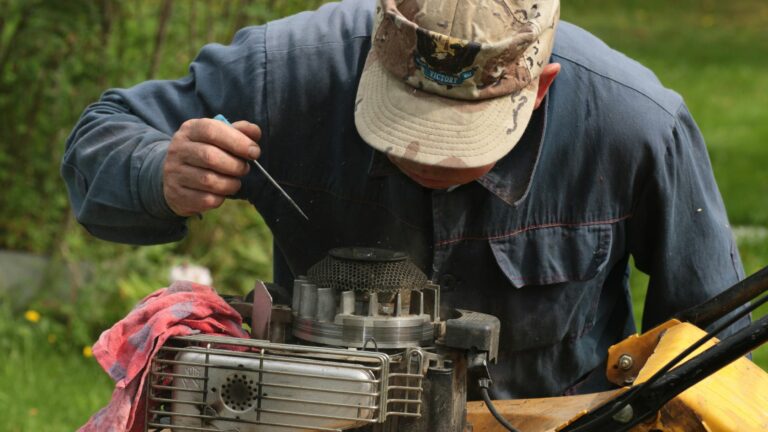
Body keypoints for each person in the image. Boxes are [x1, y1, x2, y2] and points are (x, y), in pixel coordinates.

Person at [62, 0, 748, 399]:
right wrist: (159, 170)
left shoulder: (637, 126)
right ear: (374, 59)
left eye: (459, 138)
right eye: (406, 122)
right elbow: (99, 137)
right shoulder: (292, 71)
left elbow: (711, 345)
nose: (426, 154)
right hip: (321, 411)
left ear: (538, 87)